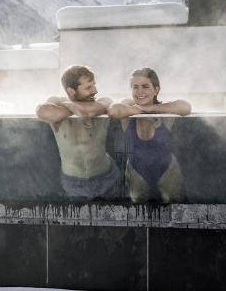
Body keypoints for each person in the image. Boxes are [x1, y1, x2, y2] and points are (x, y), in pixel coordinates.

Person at [36, 65, 121, 201]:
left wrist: (71, 106)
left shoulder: (104, 101)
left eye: (94, 85)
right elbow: (43, 112)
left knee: (115, 218)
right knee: (81, 219)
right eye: (88, 87)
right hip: (73, 181)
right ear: (71, 91)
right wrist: (75, 108)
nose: (95, 90)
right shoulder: (56, 101)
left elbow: (93, 110)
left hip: (106, 176)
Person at [108, 68, 192, 203]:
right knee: (140, 210)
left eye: (145, 86)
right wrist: (139, 109)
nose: (139, 91)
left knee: (174, 206)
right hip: (136, 169)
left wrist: (150, 109)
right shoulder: (128, 106)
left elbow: (186, 107)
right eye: (135, 87)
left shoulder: (164, 111)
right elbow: (113, 110)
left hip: (166, 168)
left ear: (156, 89)